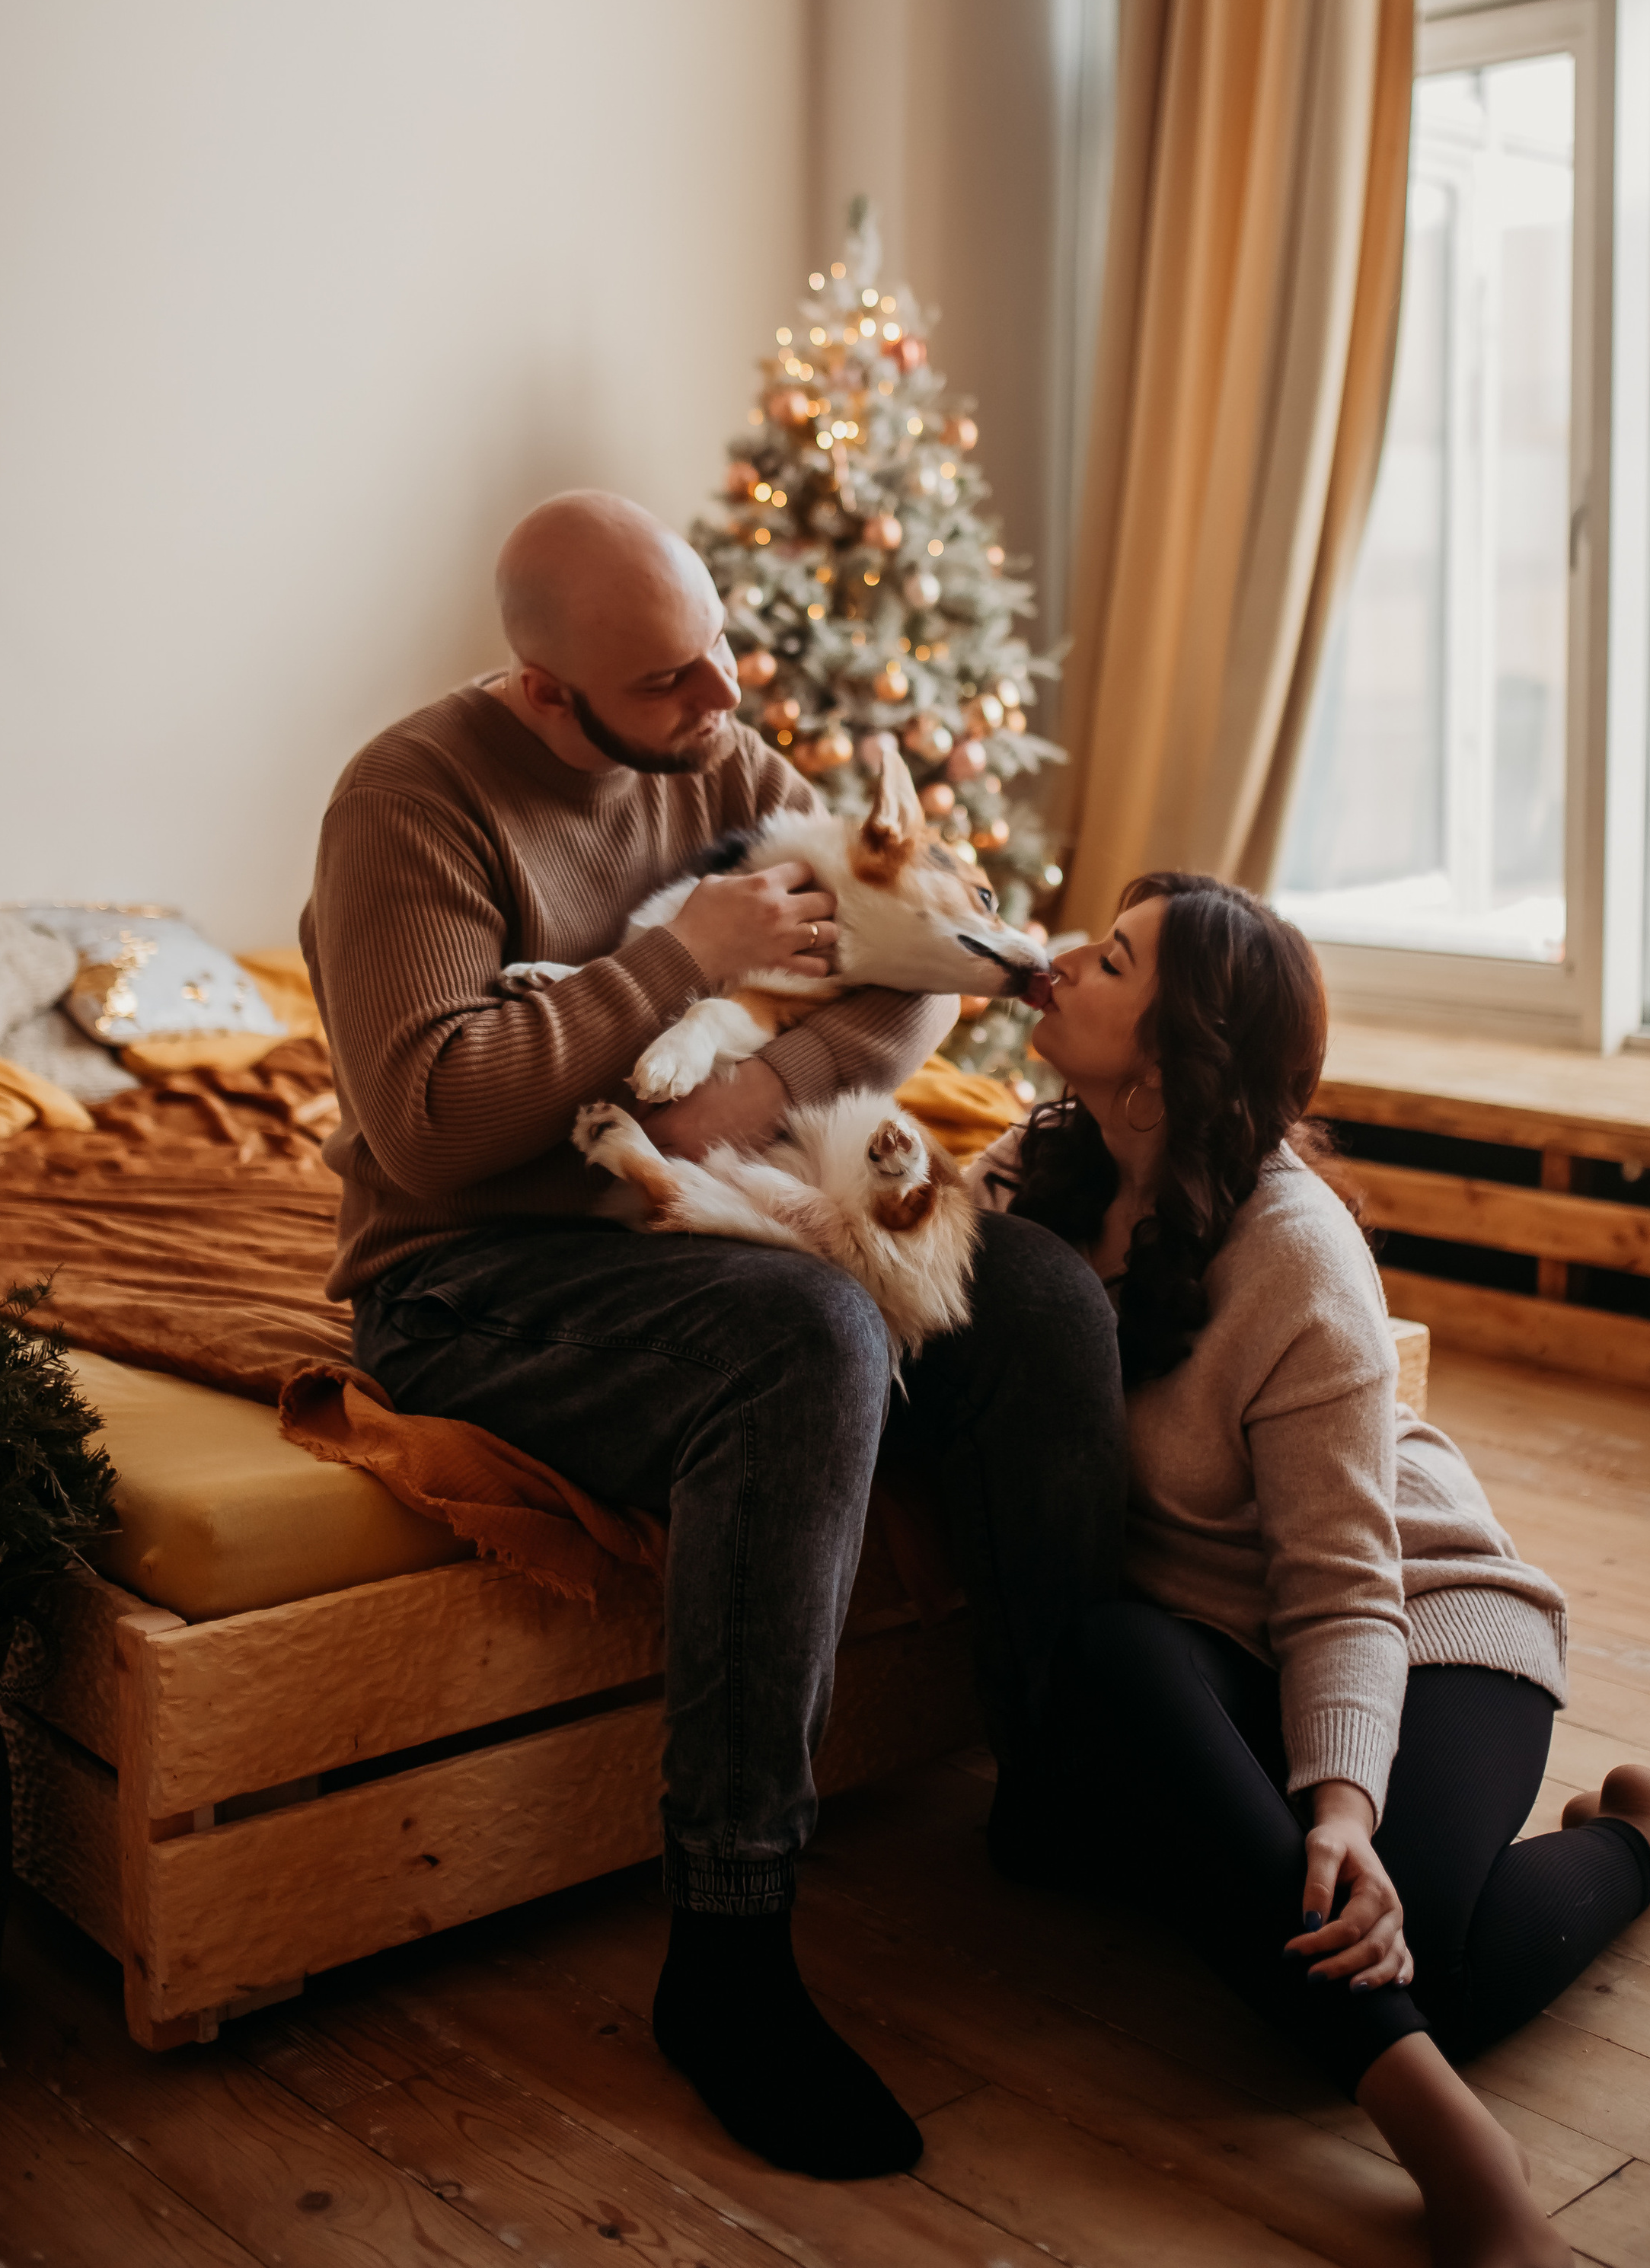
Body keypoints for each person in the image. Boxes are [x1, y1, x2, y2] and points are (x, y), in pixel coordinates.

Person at [300, 490, 1125, 2181]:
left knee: (1033, 1289)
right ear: (547, 694)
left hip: (712, 1213)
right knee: (808, 1338)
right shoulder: (408, 804)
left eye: (719, 650)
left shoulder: (719, 765)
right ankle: (729, 1948)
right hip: (475, 1272)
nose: (727, 706)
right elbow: (435, 1129)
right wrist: (677, 957)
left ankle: (1057, 1781)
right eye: (671, 684)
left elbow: (900, 967)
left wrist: (739, 1098)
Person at [972, 872, 1650, 2268]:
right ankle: (1443, 2117)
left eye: (1108, 961)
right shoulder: (1030, 1177)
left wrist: (1341, 1807)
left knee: (1413, 1964)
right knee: (1122, 1665)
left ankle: (1629, 1853)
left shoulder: (1298, 1257)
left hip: (1421, 1617)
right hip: (1215, 1636)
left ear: (1166, 1068)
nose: (1062, 963)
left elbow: (1342, 1586)